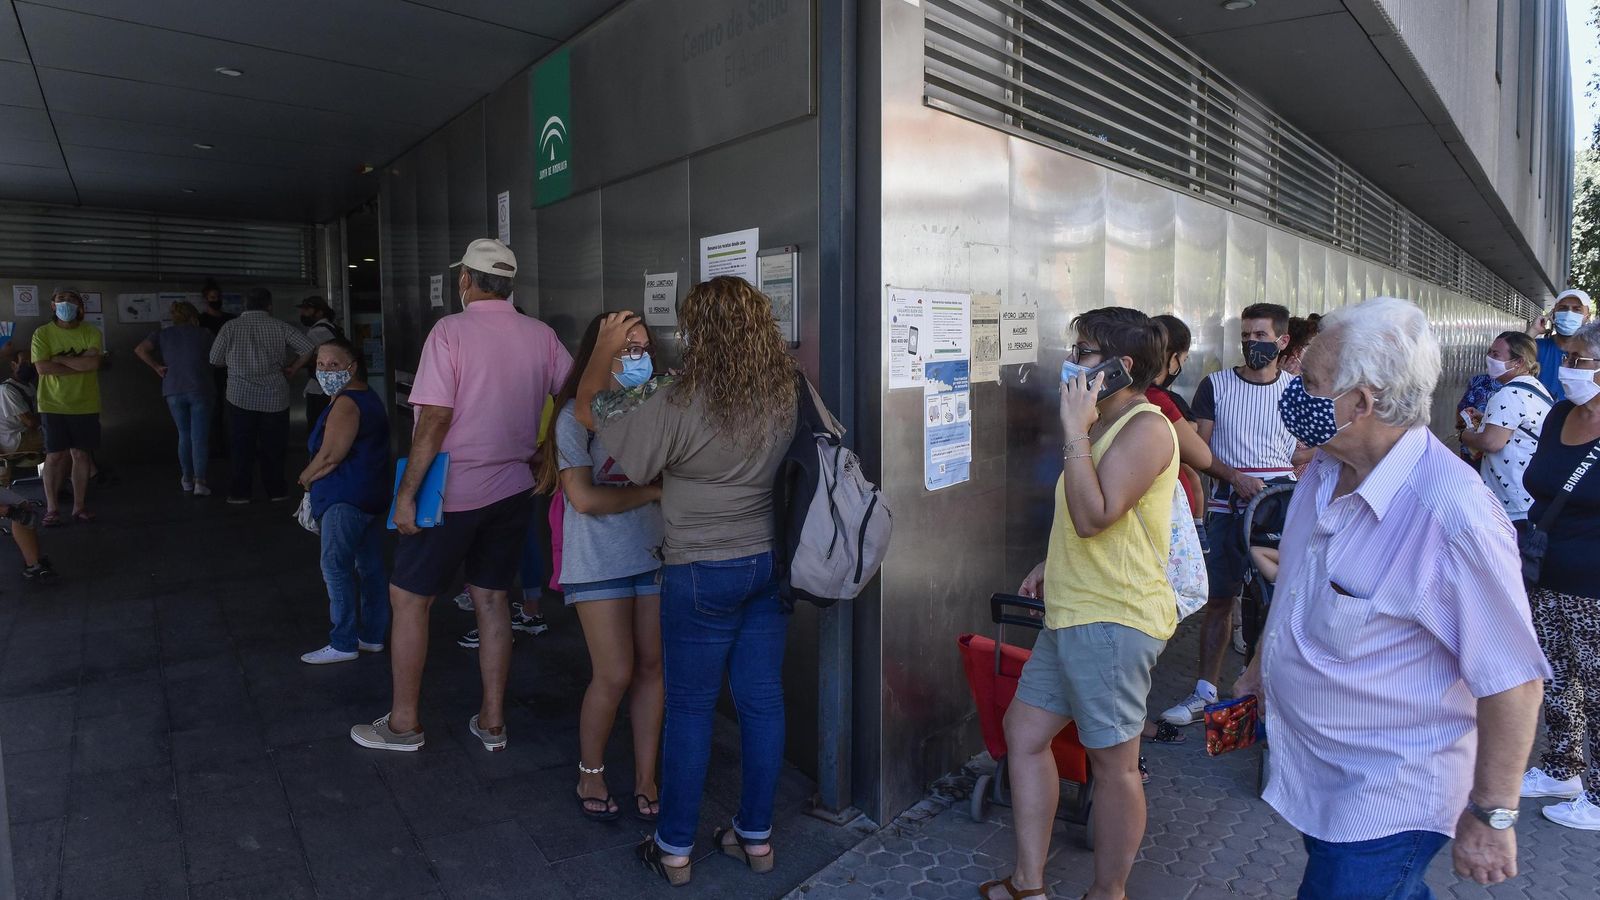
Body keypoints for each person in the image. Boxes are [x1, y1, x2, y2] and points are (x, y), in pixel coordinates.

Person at [1234, 296, 1548, 898]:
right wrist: (1258, 669)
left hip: (1389, 796)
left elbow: (1513, 680)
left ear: (1361, 401)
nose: (1295, 388)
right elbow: (1299, 583)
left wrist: (1493, 814)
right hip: (1323, 773)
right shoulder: (1325, 471)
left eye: (1311, 380)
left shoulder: (1453, 518)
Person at [572, 278, 800, 887]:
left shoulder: (682, 398)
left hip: (699, 569)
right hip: (766, 564)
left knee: (692, 710)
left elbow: (590, 410)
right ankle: (756, 838)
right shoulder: (784, 390)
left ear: (697, 332)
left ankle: (674, 847)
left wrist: (601, 349)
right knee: (763, 702)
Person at [982, 307, 1178, 900]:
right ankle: (1029, 884)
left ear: (1120, 367)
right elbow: (1086, 519)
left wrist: (1072, 431)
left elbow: (1096, 516)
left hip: (1114, 620)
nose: (1072, 361)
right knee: (1025, 732)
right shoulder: (1102, 425)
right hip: (1073, 613)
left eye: (1085, 351)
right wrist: (1052, 562)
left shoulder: (1146, 427)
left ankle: (1107, 893)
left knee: (1115, 767)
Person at [350, 238, 571, 754]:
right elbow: (574, 391)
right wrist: (546, 447)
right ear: (509, 284)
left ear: (466, 281)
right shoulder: (540, 334)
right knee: (492, 599)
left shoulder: (450, 330)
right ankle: (492, 721)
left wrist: (405, 496)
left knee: (409, 599)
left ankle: (404, 724)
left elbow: (434, 419)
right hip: (513, 489)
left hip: (453, 492)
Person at [535, 313, 665, 823]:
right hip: (598, 563)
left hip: (654, 555)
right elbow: (584, 499)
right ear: (598, 353)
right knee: (613, 673)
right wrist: (654, 492)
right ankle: (592, 768)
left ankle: (646, 776)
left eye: (643, 347)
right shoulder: (572, 416)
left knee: (654, 669)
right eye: (625, 347)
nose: (638, 357)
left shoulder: (656, 407)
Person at [1162, 302, 1309, 726]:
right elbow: (1201, 452)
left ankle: (1264, 691)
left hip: (1279, 506)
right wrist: (1237, 477)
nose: (1251, 344)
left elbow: (1307, 445)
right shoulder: (1217, 386)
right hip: (1227, 506)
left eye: (1261, 336)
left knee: (1276, 599)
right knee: (1220, 597)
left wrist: (1284, 469)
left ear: (1282, 341)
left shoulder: (1297, 391)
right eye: (1246, 336)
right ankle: (1206, 689)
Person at [1518, 321, 1600, 830]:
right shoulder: (1561, 414)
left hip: (1594, 585)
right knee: (1557, 678)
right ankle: (1562, 767)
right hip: (1546, 570)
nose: (1566, 369)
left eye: (1578, 361)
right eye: (1567, 358)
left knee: (1597, 686)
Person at [297, 338, 391, 665]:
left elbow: (331, 456)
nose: (325, 371)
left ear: (352, 366)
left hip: (345, 498)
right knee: (369, 567)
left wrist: (305, 478)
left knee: (335, 566)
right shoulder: (367, 396)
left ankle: (343, 641)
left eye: (334, 365)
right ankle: (372, 636)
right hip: (369, 495)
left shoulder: (347, 403)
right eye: (320, 365)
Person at [208, 288, 316, 504]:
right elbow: (308, 347)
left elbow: (214, 359)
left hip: (239, 396)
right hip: (275, 396)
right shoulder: (280, 326)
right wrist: (293, 368)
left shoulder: (230, 327)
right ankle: (276, 491)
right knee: (274, 447)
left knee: (241, 446)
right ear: (269, 305)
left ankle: (240, 493)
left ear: (244, 306)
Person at [1459, 332, 1551, 531]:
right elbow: (1519, 427)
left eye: (1496, 354)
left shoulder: (1509, 394)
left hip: (1511, 502)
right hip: (1528, 496)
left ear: (1517, 362)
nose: (1489, 358)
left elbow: (1491, 442)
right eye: (1489, 352)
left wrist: (1464, 435)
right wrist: (1485, 418)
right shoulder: (1534, 387)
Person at [30, 290, 105, 526]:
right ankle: (52, 509)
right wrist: (79, 364)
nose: (66, 304)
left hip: (85, 403)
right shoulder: (42, 333)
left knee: (81, 454)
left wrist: (59, 359)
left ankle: (79, 506)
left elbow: (93, 363)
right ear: (53, 305)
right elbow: (42, 368)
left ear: (80, 306)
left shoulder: (91, 331)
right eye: (61, 299)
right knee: (54, 456)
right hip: (52, 403)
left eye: (72, 300)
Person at [135, 301, 217, 495]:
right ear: (193, 316)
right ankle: (200, 482)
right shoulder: (205, 334)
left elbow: (139, 349)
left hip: (172, 388)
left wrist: (157, 366)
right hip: (201, 387)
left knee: (184, 435)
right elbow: (219, 357)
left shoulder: (163, 334)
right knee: (199, 438)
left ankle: (186, 479)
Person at [1526, 288, 1592, 401]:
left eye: (1577, 310)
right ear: (1553, 314)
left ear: (1587, 317)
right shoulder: (1536, 347)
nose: (1568, 314)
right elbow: (1510, 361)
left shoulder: (1592, 355)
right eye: (1563, 308)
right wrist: (1533, 331)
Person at [197, 279, 234, 457]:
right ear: (206, 299)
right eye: (212, 297)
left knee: (236, 407)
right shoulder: (200, 321)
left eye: (218, 297)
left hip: (233, 369)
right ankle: (218, 444)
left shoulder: (230, 320)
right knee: (215, 409)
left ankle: (233, 442)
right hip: (211, 370)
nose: (216, 300)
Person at [297, 296, 342, 426]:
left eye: (307, 310)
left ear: (320, 312)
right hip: (332, 386)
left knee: (317, 428)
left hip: (320, 389)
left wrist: (294, 367)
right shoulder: (331, 327)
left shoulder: (317, 332)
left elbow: (307, 357)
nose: (302, 313)